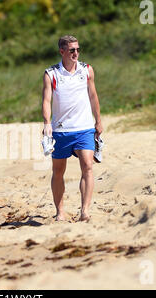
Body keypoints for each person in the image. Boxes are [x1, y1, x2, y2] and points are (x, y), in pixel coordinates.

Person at [41, 35, 103, 222]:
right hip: (60, 130)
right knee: (58, 172)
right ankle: (60, 212)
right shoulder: (51, 74)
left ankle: (85, 211)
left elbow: (93, 96)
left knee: (88, 167)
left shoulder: (87, 70)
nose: (76, 53)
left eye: (78, 49)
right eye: (71, 50)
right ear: (62, 52)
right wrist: (46, 124)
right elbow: (46, 100)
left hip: (84, 128)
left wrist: (98, 120)